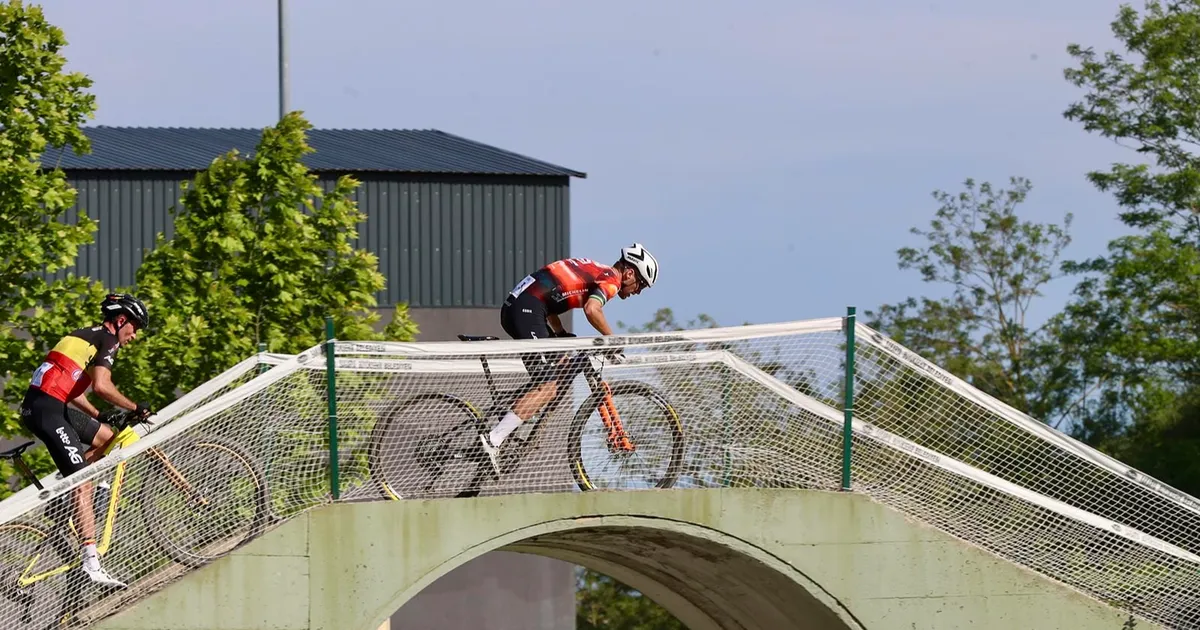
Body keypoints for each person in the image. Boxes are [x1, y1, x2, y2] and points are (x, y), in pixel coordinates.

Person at [479, 243, 659, 473]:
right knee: (548, 388)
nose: (638, 291)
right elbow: (592, 310)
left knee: (563, 363)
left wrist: (561, 333)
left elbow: (552, 297)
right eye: (641, 285)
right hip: (526, 309)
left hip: (525, 306)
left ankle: (517, 414)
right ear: (630, 273)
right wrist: (613, 341)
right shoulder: (611, 280)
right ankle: (494, 438)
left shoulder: (596, 271)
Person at [19, 293, 153, 589]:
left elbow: (72, 387)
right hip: (48, 410)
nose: (134, 336)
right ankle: (91, 563)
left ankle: (68, 497)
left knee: (107, 436)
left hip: (47, 405)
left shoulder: (84, 335)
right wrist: (135, 407)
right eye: (134, 328)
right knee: (83, 482)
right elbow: (103, 386)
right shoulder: (108, 340)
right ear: (121, 321)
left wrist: (98, 414)